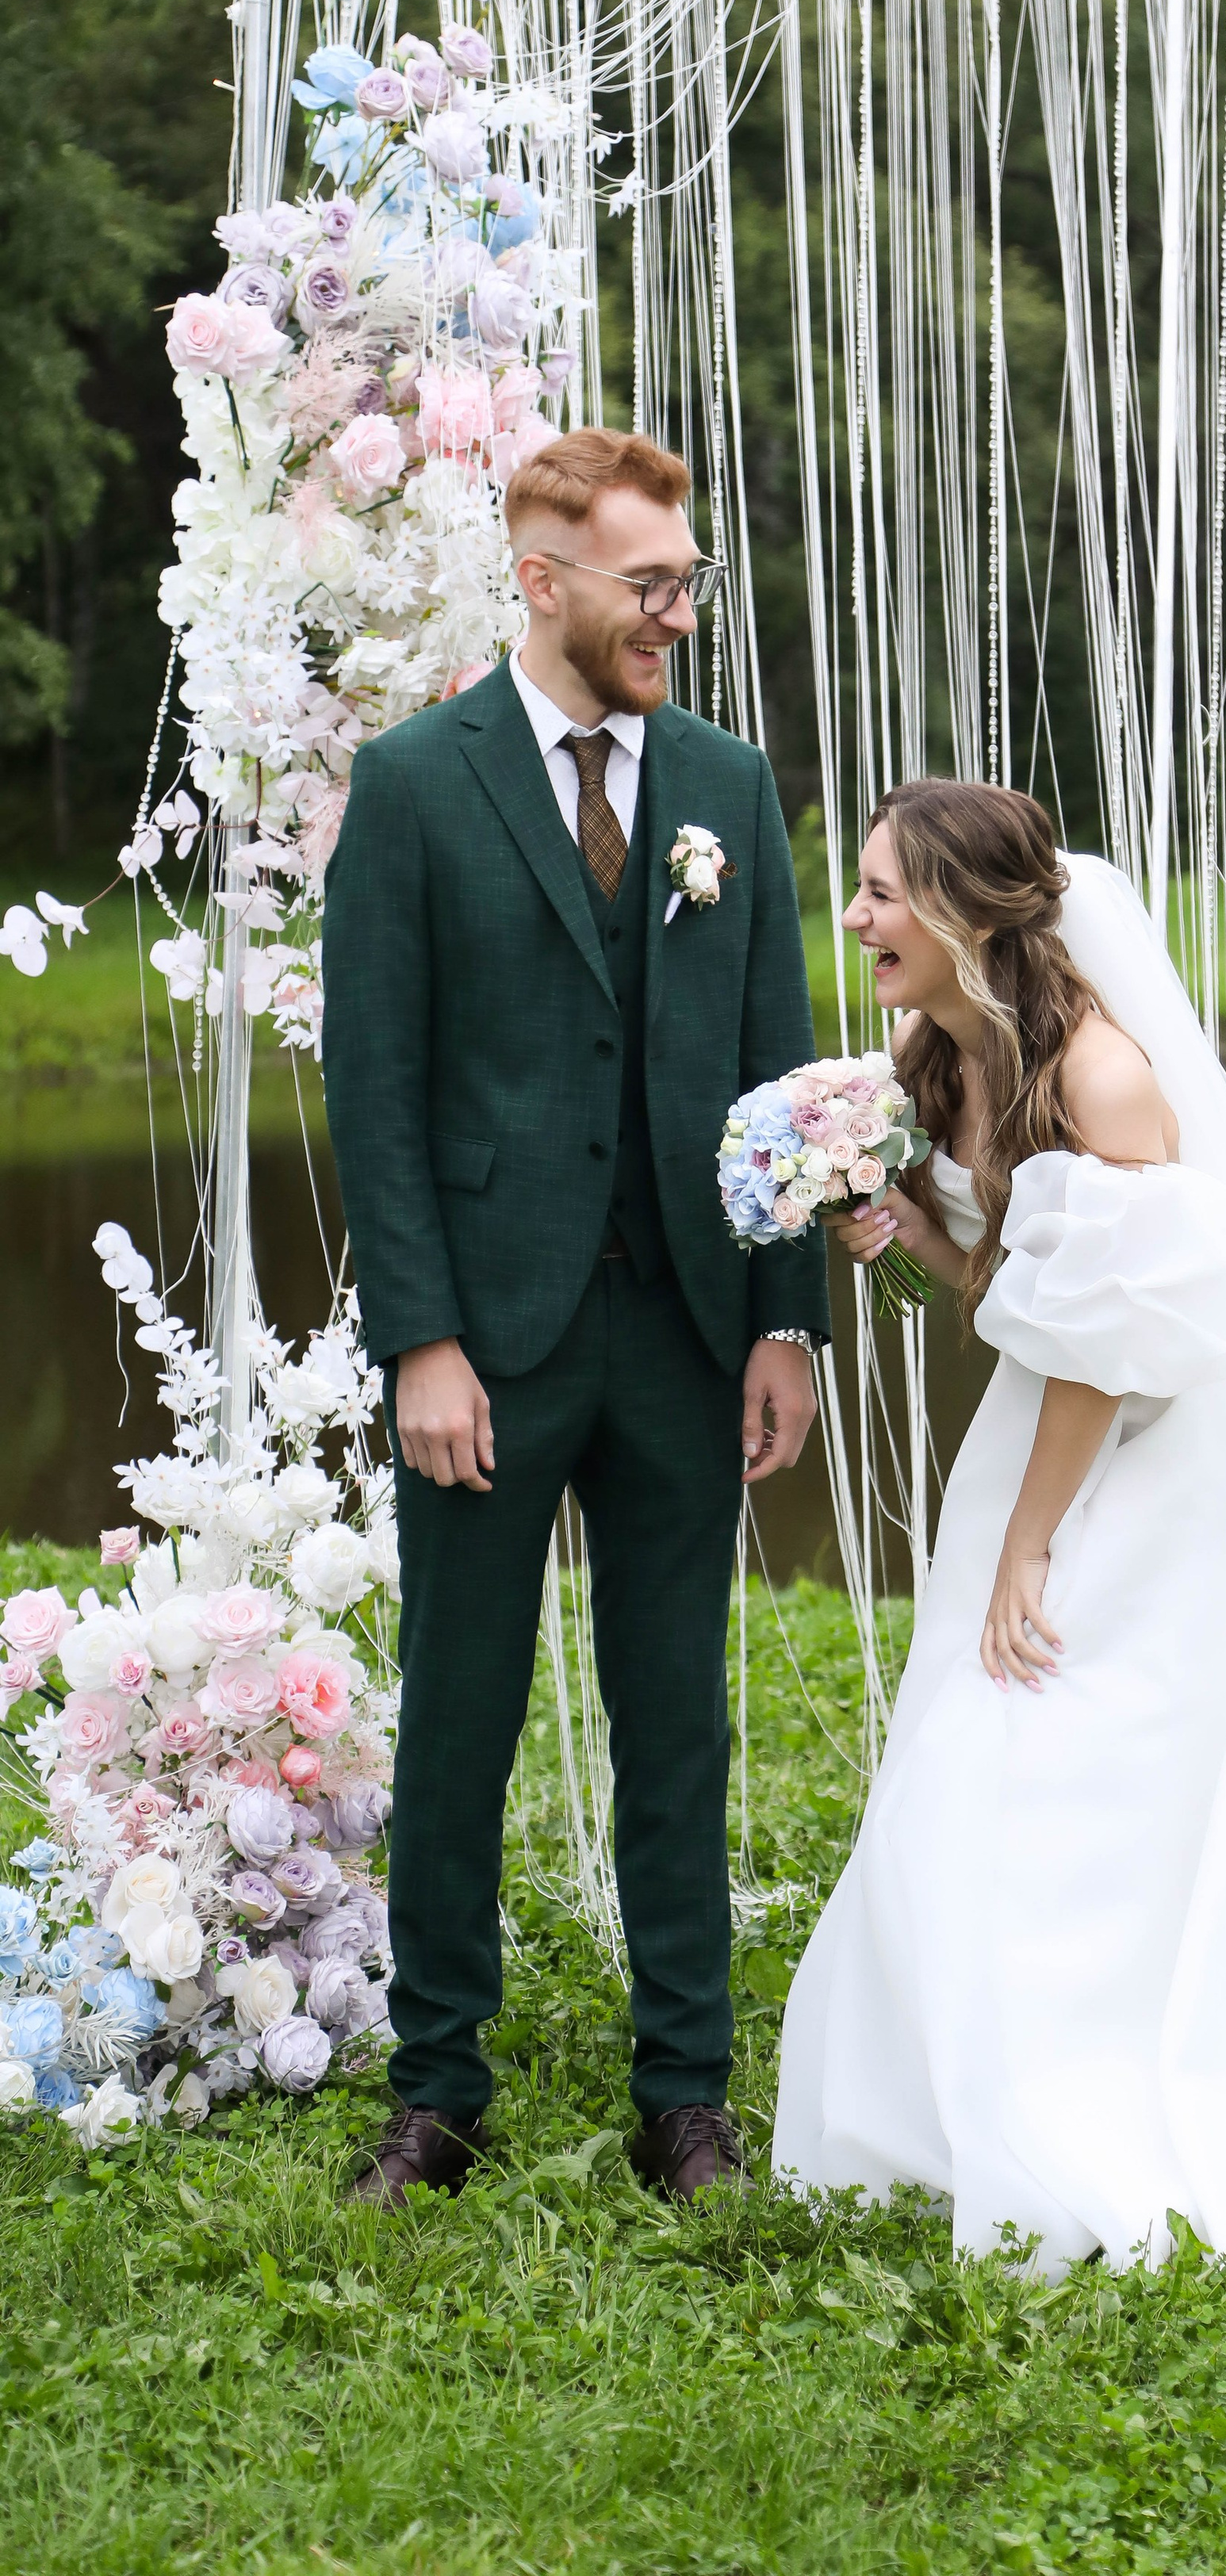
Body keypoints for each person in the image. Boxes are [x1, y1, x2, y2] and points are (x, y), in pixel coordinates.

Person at [772, 782, 1226, 2272]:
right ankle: (951, 2097)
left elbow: (1110, 1346)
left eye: (882, 893)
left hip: (1174, 1445)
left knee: (1078, 1732)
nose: (856, 918)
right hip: (1061, 1415)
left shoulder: (1104, 1075)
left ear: (963, 911)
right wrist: (909, 1236)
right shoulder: (944, 1057)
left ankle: (1096, 2085)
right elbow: (1021, 1295)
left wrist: (1029, 1540)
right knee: (985, 1730)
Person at [322, 427, 829, 2210]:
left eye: (689, 582)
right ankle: (436, 2092)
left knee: (675, 1723)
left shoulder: (726, 787)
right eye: (649, 584)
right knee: (459, 1715)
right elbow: (378, 1092)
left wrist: (785, 1324)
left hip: (687, 1333)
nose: (676, 615)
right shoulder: (414, 784)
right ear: (540, 581)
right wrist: (420, 1342)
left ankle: (684, 2099)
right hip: (487, 1341)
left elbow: (779, 1068)